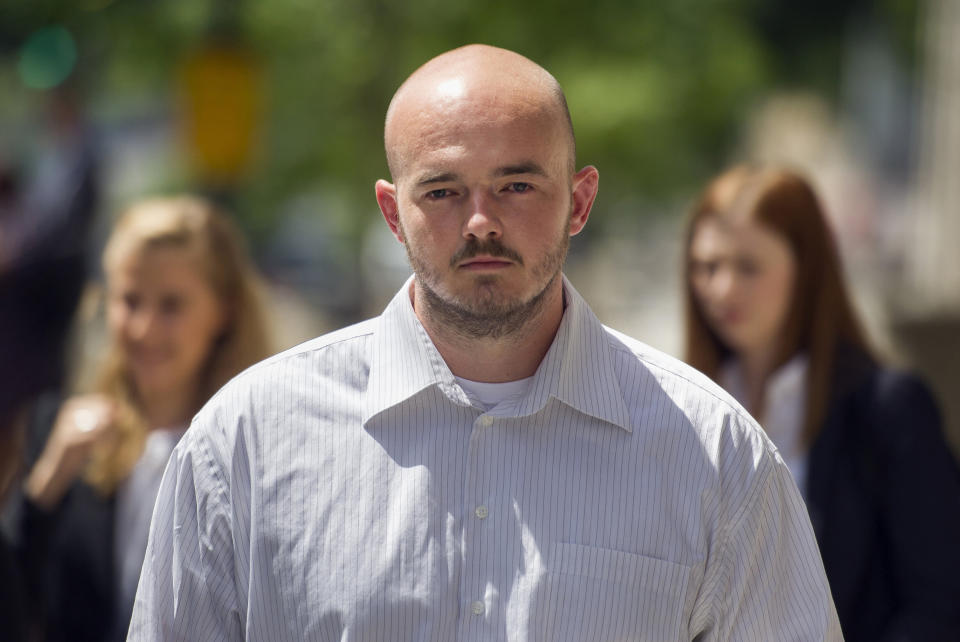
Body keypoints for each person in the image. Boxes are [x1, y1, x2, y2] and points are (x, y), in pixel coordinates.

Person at [130, 45, 842, 641]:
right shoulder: (244, 444)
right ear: (391, 212)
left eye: (518, 185)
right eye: (441, 191)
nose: (480, 221)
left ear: (581, 201)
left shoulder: (715, 458)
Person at [683, 164, 960, 641]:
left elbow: (938, 605)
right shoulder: (679, 404)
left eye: (748, 266)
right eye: (707, 266)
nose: (722, 289)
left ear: (807, 270)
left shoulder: (889, 410)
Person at [18, 196, 272, 641]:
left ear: (224, 311)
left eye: (171, 305)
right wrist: (44, 488)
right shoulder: (60, 432)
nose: (144, 329)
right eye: (130, 301)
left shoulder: (262, 444)